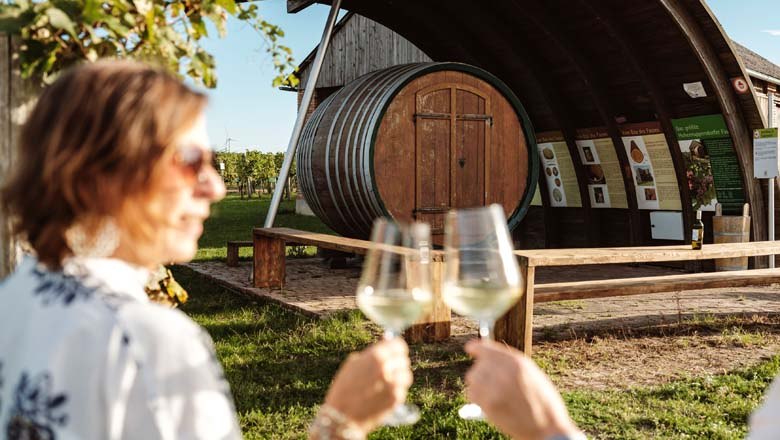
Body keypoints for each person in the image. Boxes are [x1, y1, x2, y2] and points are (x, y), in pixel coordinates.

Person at [0, 60, 411, 440]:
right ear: (101, 173)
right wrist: (341, 421)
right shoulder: (149, 344)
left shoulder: (18, 294)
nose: (215, 187)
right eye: (189, 161)